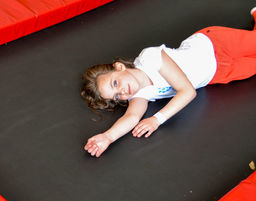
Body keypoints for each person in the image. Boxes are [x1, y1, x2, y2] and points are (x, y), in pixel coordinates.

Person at [81, 7, 256, 158]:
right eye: (117, 96)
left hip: (216, 45)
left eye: (115, 84)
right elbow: (131, 117)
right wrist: (108, 137)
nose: (123, 93)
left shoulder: (150, 58)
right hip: (218, 73)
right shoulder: (139, 95)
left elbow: (187, 91)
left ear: (119, 67)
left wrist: (157, 119)